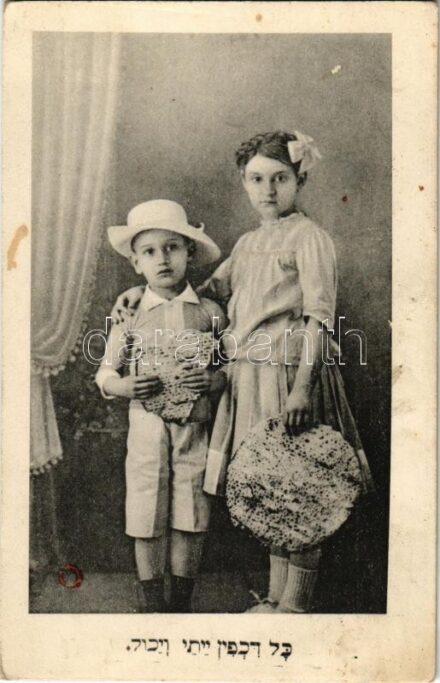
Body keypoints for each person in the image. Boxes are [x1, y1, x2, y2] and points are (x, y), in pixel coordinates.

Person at [111, 131, 373, 614]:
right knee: (269, 486)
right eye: (256, 179)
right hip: (248, 376)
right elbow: (204, 292)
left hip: (290, 373)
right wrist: (139, 293)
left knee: (300, 485)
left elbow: (319, 317)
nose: (267, 190)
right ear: (244, 182)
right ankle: (274, 599)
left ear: (300, 179)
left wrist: (302, 389)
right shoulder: (250, 243)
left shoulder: (309, 238)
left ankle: (294, 606)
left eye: (280, 178)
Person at [96, 199, 226, 613]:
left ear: (190, 252)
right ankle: (152, 604)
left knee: (191, 506)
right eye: (149, 251)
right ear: (136, 263)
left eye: (172, 247)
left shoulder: (210, 313)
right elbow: (105, 372)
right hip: (146, 422)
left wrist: (216, 379)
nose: (162, 259)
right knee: (146, 503)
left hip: (194, 424)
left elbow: (232, 365)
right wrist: (122, 385)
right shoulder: (130, 314)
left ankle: (180, 605)